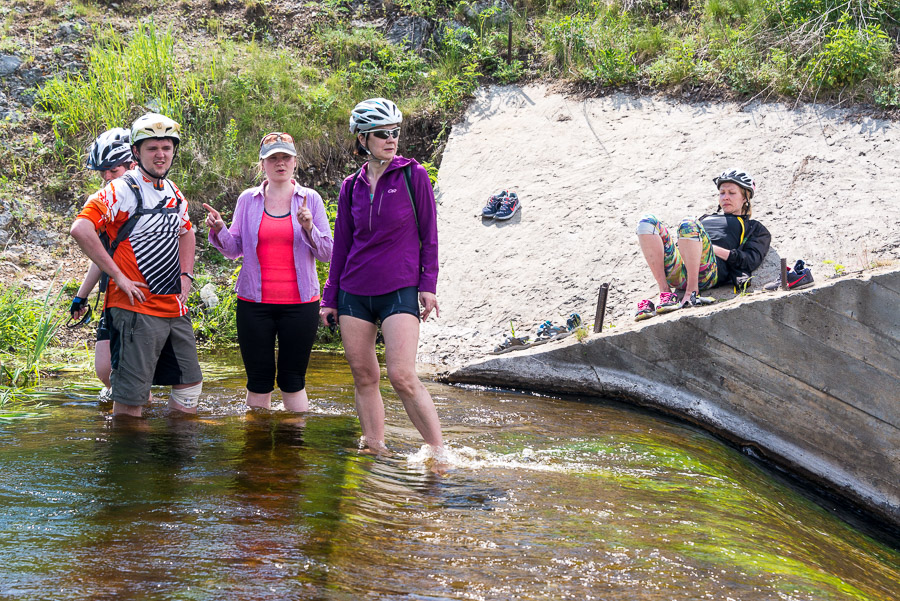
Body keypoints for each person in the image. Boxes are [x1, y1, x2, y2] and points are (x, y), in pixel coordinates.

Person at [320, 98, 445, 455]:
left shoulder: (413, 175)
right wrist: (330, 298)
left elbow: (429, 235)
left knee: (402, 376)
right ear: (362, 139)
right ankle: (375, 448)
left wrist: (428, 285)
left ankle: (439, 453)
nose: (391, 139)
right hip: (353, 292)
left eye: (395, 132)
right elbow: (342, 245)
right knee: (364, 377)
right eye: (381, 134)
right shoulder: (350, 186)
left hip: (399, 288)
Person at [69, 113, 203, 416]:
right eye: (152, 148)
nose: (160, 154)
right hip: (134, 308)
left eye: (166, 148)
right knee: (131, 401)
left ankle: (173, 459)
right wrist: (118, 276)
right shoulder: (120, 189)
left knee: (189, 387)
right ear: (136, 154)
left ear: (173, 151)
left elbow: (187, 231)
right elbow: (81, 228)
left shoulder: (171, 190)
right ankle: (131, 461)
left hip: (174, 307)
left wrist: (186, 275)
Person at [204, 132, 333, 412]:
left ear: (295, 161)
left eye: (285, 157)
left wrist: (309, 228)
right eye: (272, 158)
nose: (280, 163)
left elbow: (327, 254)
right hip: (254, 304)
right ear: (262, 164)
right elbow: (233, 249)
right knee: (259, 380)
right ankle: (257, 450)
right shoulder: (247, 200)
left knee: (293, 379)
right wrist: (219, 229)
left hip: (300, 305)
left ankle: (292, 452)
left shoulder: (310, 199)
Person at [634, 168, 771, 321]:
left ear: (745, 197)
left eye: (732, 193)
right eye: (722, 193)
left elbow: (750, 260)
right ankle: (665, 292)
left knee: (689, 223)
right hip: (679, 270)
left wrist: (712, 249)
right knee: (646, 222)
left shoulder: (754, 227)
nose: (725, 197)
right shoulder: (705, 218)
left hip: (708, 272)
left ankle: (692, 292)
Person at [69, 128, 135, 398]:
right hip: (112, 296)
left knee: (127, 374)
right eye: (102, 172)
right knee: (104, 370)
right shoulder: (105, 204)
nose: (106, 177)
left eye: (113, 170)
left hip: (138, 297)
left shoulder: (146, 201)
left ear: (131, 166)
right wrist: (80, 296)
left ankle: (138, 419)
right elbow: (100, 256)